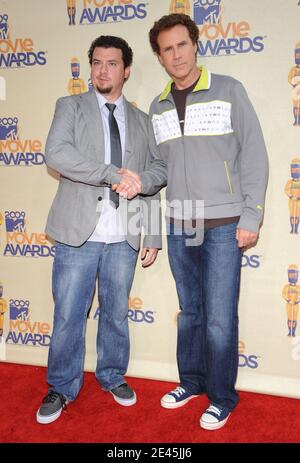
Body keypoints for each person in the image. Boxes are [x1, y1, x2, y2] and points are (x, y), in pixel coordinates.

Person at [116, 14, 268, 430]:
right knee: (191, 313)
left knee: (219, 317)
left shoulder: (228, 90)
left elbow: (254, 154)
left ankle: (222, 396)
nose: (176, 55)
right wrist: (138, 180)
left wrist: (251, 214)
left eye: (182, 45)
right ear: (160, 57)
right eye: (167, 49)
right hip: (181, 224)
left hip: (223, 222)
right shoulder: (158, 104)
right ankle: (193, 383)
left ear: (195, 44)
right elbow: (160, 168)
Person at [36, 35, 161, 425]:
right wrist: (112, 175)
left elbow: (157, 174)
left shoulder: (142, 121)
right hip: (78, 234)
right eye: (97, 63)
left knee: (116, 314)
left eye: (112, 63)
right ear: (90, 68)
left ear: (126, 70)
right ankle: (61, 386)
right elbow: (56, 154)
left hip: (123, 236)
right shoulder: (69, 106)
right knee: (69, 314)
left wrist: (152, 233)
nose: (102, 70)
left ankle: (111, 375)